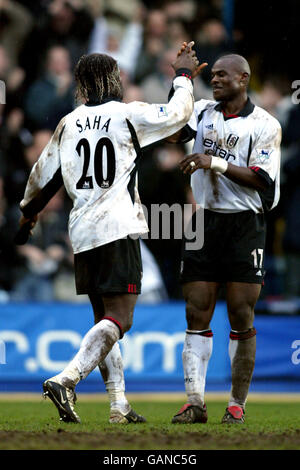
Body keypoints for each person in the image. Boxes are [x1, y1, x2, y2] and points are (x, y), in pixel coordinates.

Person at [18, 45, 205, 424]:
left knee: (103, 318)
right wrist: (183, 77)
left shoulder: (68, 123)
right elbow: (179, 116)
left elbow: (41, 177)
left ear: (81, 85)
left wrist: (28, 215)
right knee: (122, 318)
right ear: (111, 79)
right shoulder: (127, 114)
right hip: (118, 226)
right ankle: (65, 379)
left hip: (83, 233)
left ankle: (118, 403)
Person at [168, 50, 281, 424]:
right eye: (211, 75)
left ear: (243, 78)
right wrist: (182, 77)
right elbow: (172, 131)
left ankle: (236, 404)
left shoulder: (265, 124)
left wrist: (212, 161)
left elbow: (261, 179)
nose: (214, 80)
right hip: (204, 220)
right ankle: (194, 401)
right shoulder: (201, 111)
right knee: (196, 310)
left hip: (244, 224)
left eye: (221, 75)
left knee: (240, 314)